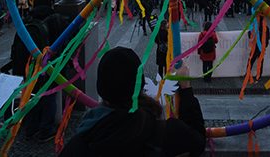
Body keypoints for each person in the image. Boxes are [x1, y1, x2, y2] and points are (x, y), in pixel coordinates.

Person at [59, 47, 206, 157]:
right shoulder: (168, 133)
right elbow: (198, 140)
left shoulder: (77, 146)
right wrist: (185, 89)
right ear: (140, 84)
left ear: (101, 88)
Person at [14, 0, 65, 143]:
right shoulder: (56, 19)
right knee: (49, 96)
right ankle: (46, 129)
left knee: (31, 95)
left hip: (28, 66)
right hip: (49, 65)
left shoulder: (27, 19)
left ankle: (30, 129)